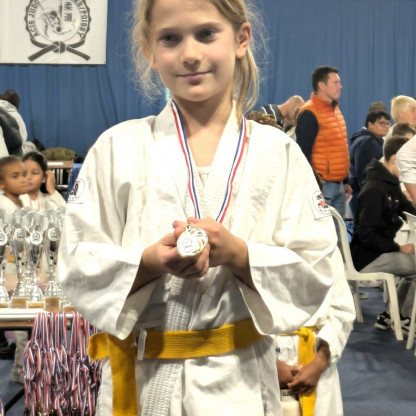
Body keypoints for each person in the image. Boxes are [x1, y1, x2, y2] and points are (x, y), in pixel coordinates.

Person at [57, 1, 342, 415]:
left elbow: (317, 271)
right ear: (149, 50)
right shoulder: (117, 148)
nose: (190, 54)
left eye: (206, 34)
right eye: (170, 38)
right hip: (144, 379)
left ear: (241, 39)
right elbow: (77, 263)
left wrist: (241, 255)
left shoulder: (278, 153)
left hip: (239, 384)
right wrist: (147, 262)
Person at [350, 136, 416, 333]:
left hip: (375, 252)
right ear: (396, 159)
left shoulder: (388, 183)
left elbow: (407, 209)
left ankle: (392, 314)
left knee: (412, 268)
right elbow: (367, 234)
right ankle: (404, 318)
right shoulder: (375, 189)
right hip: (366, 257)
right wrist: (398, 248)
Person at [274, 259, 355, 416]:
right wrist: (271, 364)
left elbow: (342, 311)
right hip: (264, 352)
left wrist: (320, 361)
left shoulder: (328, 250)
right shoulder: (250, 245)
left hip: (317, 354)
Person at [296, 65, 351, 218]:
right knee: (322, 228)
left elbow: (339, 148)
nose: (340, 86)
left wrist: (346, 180)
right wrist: (313, 184)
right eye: (335, 82)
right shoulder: (309, 112)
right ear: (322, 85)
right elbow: (303, 153)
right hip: (322, 186)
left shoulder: (335, 110)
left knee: (338, 229)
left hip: (338, 184)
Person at [349, 110, 391, 216]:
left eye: (388, 123)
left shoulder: (372, 140)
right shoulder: (368, 142)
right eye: (382, 123)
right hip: (365, 195)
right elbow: (364, 173)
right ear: (370, 124)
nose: (386, 127)